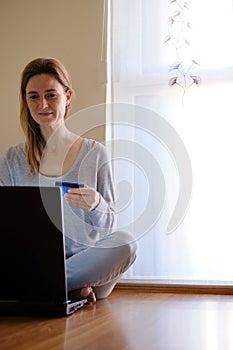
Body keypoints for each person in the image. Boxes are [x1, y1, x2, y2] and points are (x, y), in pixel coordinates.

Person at [0, 57, 138, 303]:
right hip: (32, 262)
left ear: (68, 96)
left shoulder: (95, 154)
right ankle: (67, 292)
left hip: (86, 267)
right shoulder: (13, 159)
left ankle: (48, 288)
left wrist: (96, 205)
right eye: (33, 96)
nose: (42, 104)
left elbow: (109, 229)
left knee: (125, 244)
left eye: (51, 95)